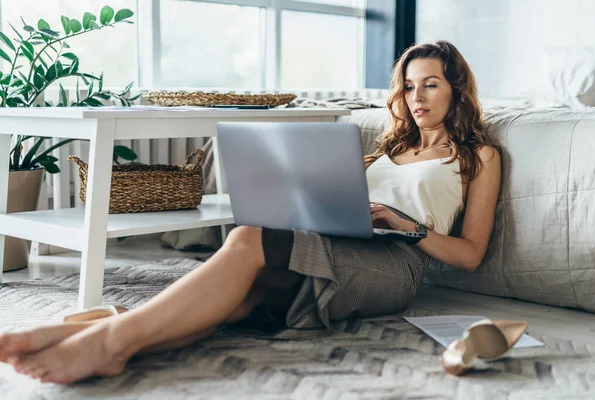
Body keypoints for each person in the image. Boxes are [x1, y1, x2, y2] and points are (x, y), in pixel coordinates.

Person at [0, 40, 501, 384]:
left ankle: (106, 337)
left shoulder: (479, 156)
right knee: (238, 298)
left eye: (431, 84)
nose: (417, 97)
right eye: (410, 86)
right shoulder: (385, 150)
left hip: (396, 265)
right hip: (338, 243)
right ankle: (100, 334)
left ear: (456, 88)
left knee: (245, 240)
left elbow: (471, 254)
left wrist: (403, 223)